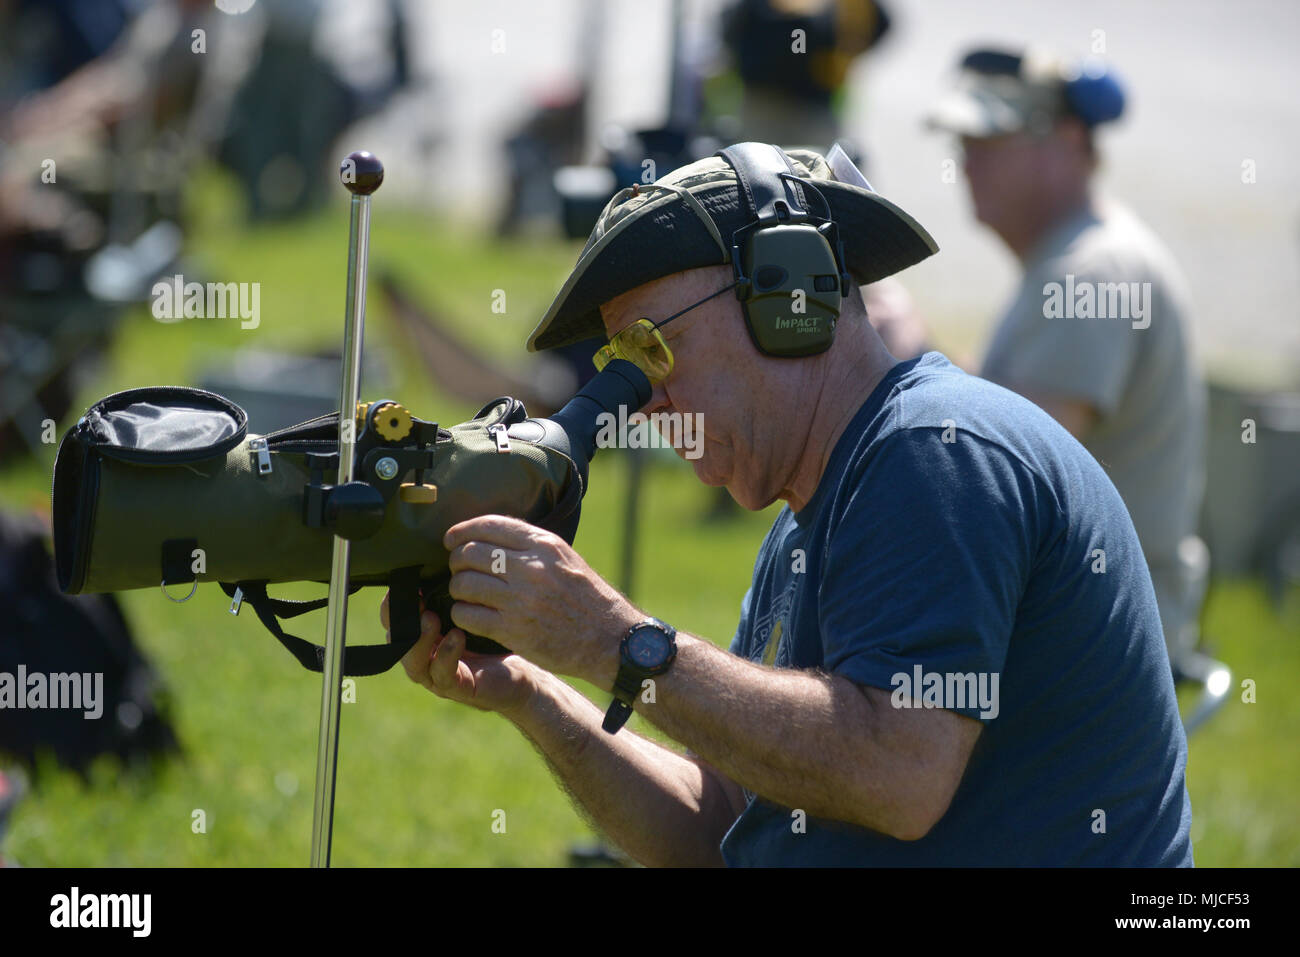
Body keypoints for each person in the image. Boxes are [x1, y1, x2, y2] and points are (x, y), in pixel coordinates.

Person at [382, 143, 1192, 866]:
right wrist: (534, 691)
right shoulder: (816, 510)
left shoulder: (935, 449)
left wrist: (609, 638)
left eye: (652, 348)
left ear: (788, 299)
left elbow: (899, 773)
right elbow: (723, 824)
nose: (645, 400)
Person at [927, 48, 1208, 666]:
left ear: (1068, 140)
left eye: (990, 138)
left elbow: (1007, 469)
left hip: (1093, 628)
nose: (967, 161)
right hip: (1076, 608)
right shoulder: (1075, 261)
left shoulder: (1092, 273)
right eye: (963, 142)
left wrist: (897, 363)